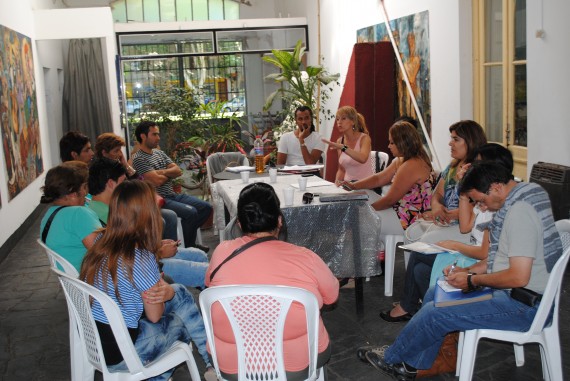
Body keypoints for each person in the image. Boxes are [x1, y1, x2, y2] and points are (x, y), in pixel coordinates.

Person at [362, 161, 563, 380]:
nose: (483, 208)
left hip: (525, 306)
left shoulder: (519, 213)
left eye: (481, 201)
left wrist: (472, 281)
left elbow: (518, 276)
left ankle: (392, 357)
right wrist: (466, 271)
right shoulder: (527, 192)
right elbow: (500, 260)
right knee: (437, 290)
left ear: (496, 187)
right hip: (519, 294)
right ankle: (412, 365)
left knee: (435, 313)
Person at [80, 180, 215, 381]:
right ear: (147, 213)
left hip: (96, 342)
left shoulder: (101, 242)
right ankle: (202, 367)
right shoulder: (141, 258)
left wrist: (165, 289)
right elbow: (154, 316)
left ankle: (211, 364)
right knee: (180, 325)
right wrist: (163, 290)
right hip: (124, 351)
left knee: (179, 293)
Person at [205, 182, 339, 379]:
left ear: (240, 224)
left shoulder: (221, 252)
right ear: (279, 221)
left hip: (231, 364)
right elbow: (331, 297)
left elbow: (209, 287)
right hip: (298, 364)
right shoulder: (305, 258)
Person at [380, 120, 487, 322]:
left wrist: (452, 214)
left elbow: (481, 208)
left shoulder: (479, 170)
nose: (450, 144)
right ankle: (423, 303)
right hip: (448, 220)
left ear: (470, 141)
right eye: (451, 139)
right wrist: (437, 209)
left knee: (423, 245)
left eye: (456, 139)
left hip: (465, 229)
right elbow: (436, 194)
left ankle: (408, 305)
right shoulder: (453, 167)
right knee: (414, 237)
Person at [87, 157, 209, 289]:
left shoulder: (111, 208)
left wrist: (157, 246)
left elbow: (131, 244)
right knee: (207, 272)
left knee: (199, 255)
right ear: (111, 183)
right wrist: (159, 252)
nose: (126, 186)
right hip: (138, 271)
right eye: (123, 181)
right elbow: (120, 257)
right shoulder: (99, 217)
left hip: (145, 258)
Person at [429, 143, 514, 287]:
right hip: (473, 254)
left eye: (479, 163)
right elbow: (465, 227)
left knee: (431, 265)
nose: (473, 167)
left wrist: (455, 245)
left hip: (479, 259)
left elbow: (484, 254)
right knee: (421, 264)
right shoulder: (484, 198)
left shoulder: (494, 205)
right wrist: (464, 190)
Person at [338, 120, 435, 234]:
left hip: (409, 220)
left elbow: (389, 200)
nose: (389, 146)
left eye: (392, 143)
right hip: (400, 212)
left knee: (361, 217)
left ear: (403, 143)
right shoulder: (402, 160)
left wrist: (367, 210)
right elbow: (378, 178)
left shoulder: (411, 165)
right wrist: (353, 186)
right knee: (361, 193)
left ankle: (362, 250)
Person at [131, 121, 212, 252]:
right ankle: (188, 247)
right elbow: (157, 181)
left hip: (173, 195)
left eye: (158, 134)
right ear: (143, 136)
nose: (158, 138)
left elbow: (178, 171)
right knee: (191, 212)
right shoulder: (139, 159)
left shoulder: (159, 153)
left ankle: (187, 243)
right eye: (154, 134)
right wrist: (168, 173)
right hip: (159, 199)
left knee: (206, 207)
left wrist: (161, 172)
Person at [95, 132, 179, 241]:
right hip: (123, 209)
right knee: (160, 220)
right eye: (116, 151)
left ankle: (169, 248)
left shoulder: (119, 166)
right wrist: (169, 175)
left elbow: (140, 183)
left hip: (135, 204)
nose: (120, 154)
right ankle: (157, 252)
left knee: (170, 215)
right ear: (104, 153)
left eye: (120, 150)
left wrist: (125, 164)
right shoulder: (101, 171)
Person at [39, 161, 101, 271]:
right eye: (84, 187)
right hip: (91, 280)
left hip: (75, 282)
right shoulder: (79, 214)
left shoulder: (48, 216)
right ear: (72, 193)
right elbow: (103, 252)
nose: (86, 192)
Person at [322, 105, 373, 183]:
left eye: (343, 118)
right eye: (337, 119)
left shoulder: (364, 138)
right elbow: (341, 169)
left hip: (365, 186)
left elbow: (363, 158)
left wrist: (344, 148)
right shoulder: (339, 141)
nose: (339, 122)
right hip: (347, 186)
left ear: (353, 121)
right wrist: (336, 184)